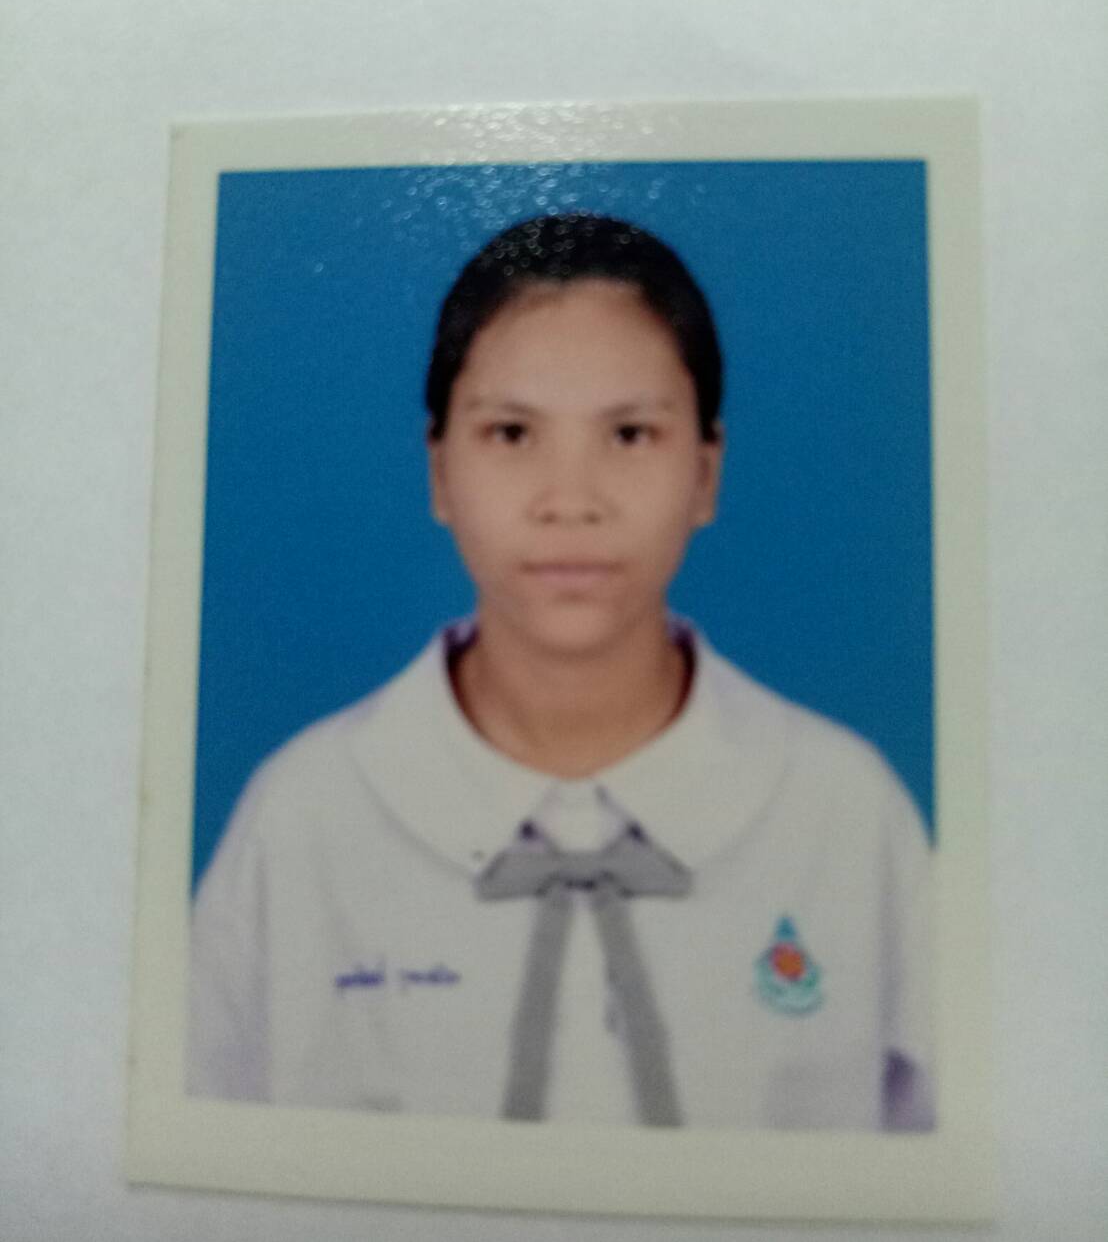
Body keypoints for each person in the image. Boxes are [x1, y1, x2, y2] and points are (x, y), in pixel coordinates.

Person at [188, 213, 933, 1130]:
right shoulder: (302, 816)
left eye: (631, 434)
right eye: (511, 433)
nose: (570, 502)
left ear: (705, 473)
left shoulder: (847, 813)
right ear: (439, 472)